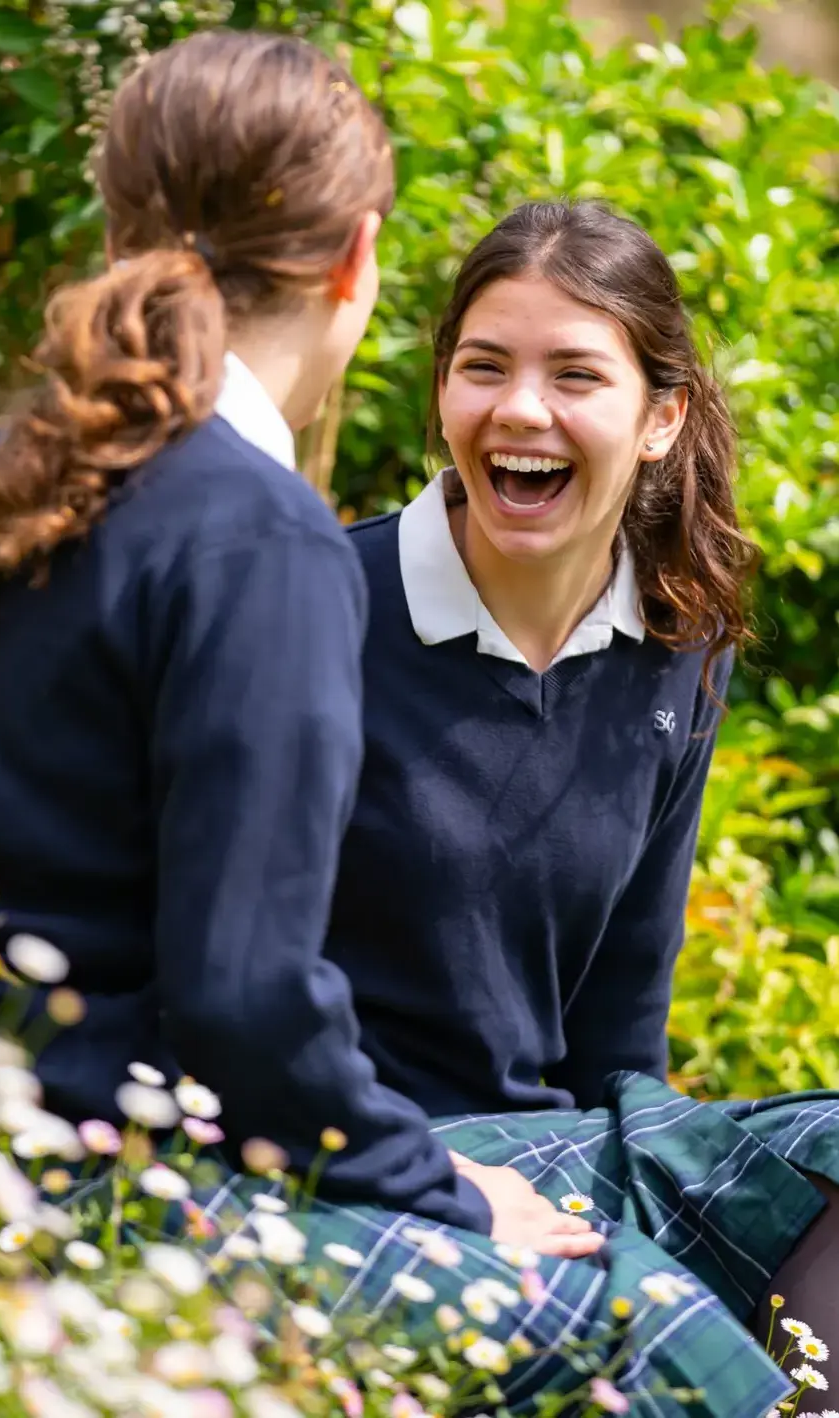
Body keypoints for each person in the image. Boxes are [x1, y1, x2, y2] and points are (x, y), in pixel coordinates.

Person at [0, 28, 553, 1243]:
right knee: (675, 1350)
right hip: (125, 1188)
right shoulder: (266, 538)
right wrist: (447, 1191)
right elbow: (244, 995)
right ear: (357, 257)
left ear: (119, 230)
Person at [322, 198, 839, 1406]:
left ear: (658, 417)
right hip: (365, 1160)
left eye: (573, 374)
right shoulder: (318, 610)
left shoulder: (679, 651)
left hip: (556, 1158)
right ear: (441, 389)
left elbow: (621, 1024)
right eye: (482, 366)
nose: (518, 410)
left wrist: (652, 1213)